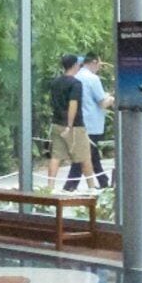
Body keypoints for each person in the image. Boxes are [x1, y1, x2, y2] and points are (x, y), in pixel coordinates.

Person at [45, 51, 89, 192]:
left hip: (57, 123)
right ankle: (92, 187)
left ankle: (50, 187)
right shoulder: (76, 83)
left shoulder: (55, 83)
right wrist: (70, 125)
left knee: (56, 156)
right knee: (84, 156)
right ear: (75, 65)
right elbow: (73, 104)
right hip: (74, 126)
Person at [71, 50, 111, 193]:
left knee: (91, 155)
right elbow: (102, 102)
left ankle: (104, 182)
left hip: (79, 121)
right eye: (99, 63)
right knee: (84, 156)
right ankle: (70, 186)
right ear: (94, 62)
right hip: (92, 124)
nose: (99, 66)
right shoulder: (93, 79)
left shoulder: (76, 77)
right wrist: (112, 97)